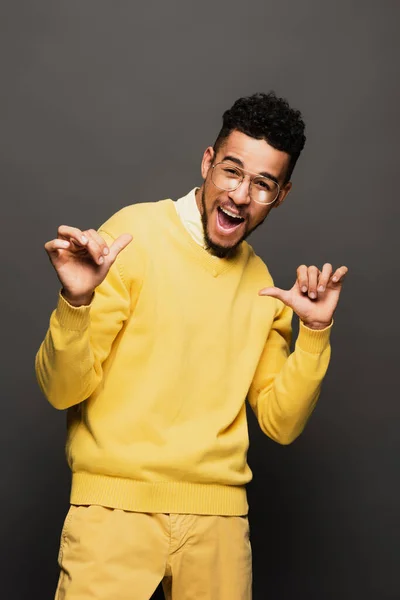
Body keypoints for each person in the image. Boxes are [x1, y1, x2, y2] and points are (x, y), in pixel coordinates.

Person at [36, 92, 348, 600]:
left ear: (281, 195)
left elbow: (281, 422)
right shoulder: (130, 238)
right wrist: (77, 300)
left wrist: (313, 334)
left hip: (220, 523)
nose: (241, 195)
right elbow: (60, 390)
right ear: (207, 162)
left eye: (262, 184)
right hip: (112, 513)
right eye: (231, 171)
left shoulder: (263, 284)